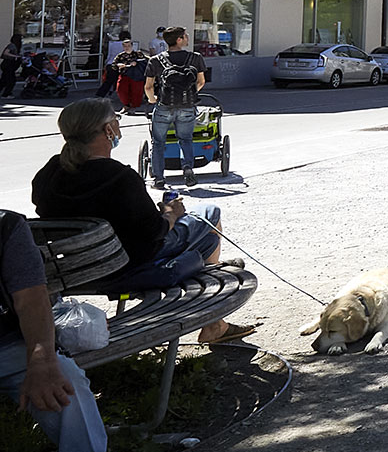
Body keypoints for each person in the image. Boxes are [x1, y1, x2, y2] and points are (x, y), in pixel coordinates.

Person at [30, 99, 256, 343]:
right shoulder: (120, 178)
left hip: (74, 271)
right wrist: (171, 212)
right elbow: (155, 231)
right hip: (129, 265)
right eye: (116, 121)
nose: (118, 126)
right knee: (210, 214)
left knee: (205, 241)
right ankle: (215, 325)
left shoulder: (49, 173)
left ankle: (215, 317)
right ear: (108, 130)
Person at [0, 206, 158, 452]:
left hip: (6, 345)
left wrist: (42, 361)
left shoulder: (5, 227)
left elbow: (31, 298)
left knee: (63, 376)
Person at [143, 26, 206, 189]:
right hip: (187, 106)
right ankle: (187, 168)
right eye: (185, 36)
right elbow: (201, 82)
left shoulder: (155, 60)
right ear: (179, 40)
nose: (187, 38)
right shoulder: (195, 58)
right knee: (185, 139)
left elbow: (148, 87)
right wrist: (189, 94)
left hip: (164, 106)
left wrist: (153, 99)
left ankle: (159, 178)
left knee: (158, 142)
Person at [109, 35, 150, 111]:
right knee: (121, 90)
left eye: (128, 46)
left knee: (136, 92)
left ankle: (134, 106)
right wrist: (119, 65)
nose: (127, 47)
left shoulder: (138, 54)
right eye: (125, 46)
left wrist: (136, 62)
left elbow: (145, 61)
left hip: (137, 76)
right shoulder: (120, 56)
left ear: (132, 46)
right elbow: (113, 65)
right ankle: (126, 104)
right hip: (125, 75)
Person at [2, 33, 25, 97]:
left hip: (10, 65)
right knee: (11, 80)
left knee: (3, 80)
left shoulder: (17, 46)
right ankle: (6, 94)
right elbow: (5, 53)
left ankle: (6, 93)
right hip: (8, 65)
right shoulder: (12, 45)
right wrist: (16, 56)